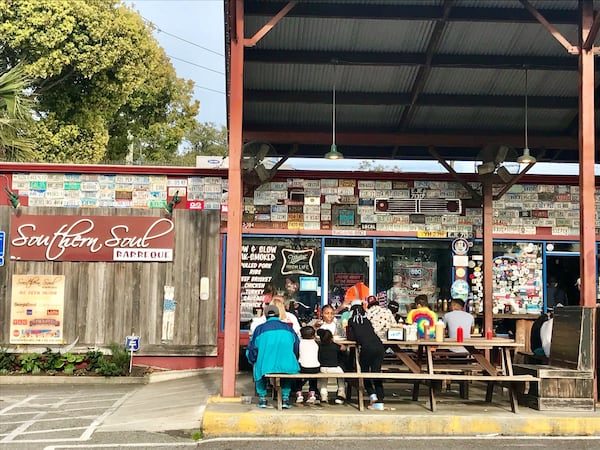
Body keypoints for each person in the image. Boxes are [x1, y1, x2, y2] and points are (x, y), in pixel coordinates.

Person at [246, 304, 300, 409]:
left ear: (265, 316)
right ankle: (285, 398)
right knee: (288, 364)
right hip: (287, 365)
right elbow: (297, 347)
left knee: (257, 365)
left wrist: (252, 359)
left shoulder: (259, 329)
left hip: (266, 366)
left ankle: (262, 398)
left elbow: (253, 349)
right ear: (278, 314)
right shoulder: (289, 329)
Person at [346, 300, 385, 410]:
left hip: (367, 348)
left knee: (364, 372)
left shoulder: (351, 321)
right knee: (376, 373)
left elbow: (352, 337)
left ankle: (372, 396)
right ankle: (380, 400)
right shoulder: (367, 320)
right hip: (379, 346)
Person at [294, 326, 320, 404]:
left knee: (298, 377)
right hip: (315, 367)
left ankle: (299, 392)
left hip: (303, 367)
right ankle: (312, 392)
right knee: (313, 378)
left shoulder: (300, 343)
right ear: (313, 335)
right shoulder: (316, 343)